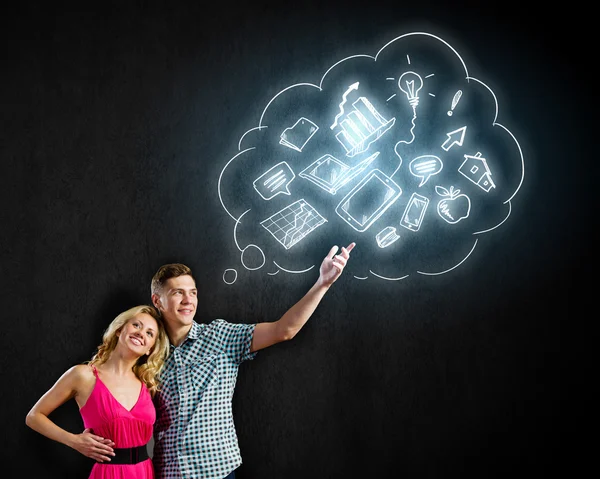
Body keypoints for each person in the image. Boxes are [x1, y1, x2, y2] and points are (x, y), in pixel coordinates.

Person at [149, 242, 355, 479]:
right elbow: (113, 393)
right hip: (168, 473)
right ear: (157, 301)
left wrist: (323, 284)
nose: (188, 300)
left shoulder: (220, 335)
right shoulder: (147, 350)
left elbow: (284, 330)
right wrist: (93, 434)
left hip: (217, 472)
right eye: (178, 293)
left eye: (193, 292)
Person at [26, 305, 170, 479]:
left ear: (150, 349)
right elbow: (34, 416)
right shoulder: (83, 375)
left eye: (150, 333)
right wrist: (74, 441)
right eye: (136, 325)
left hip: (145, 472)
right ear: (119, 330)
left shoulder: (147, 384)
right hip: (109, 473)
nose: (141, 333)